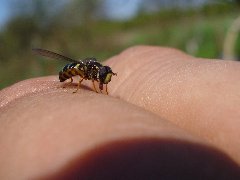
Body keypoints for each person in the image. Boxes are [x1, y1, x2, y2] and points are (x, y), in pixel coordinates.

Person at [0, 46, 240, 179]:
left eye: (105, 76)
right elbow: (82, 75)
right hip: (69, 71)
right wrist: (75, 86)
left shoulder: (98, 72)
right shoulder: (86, 72)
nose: (103, 79)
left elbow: (97, 79)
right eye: (103, 75)